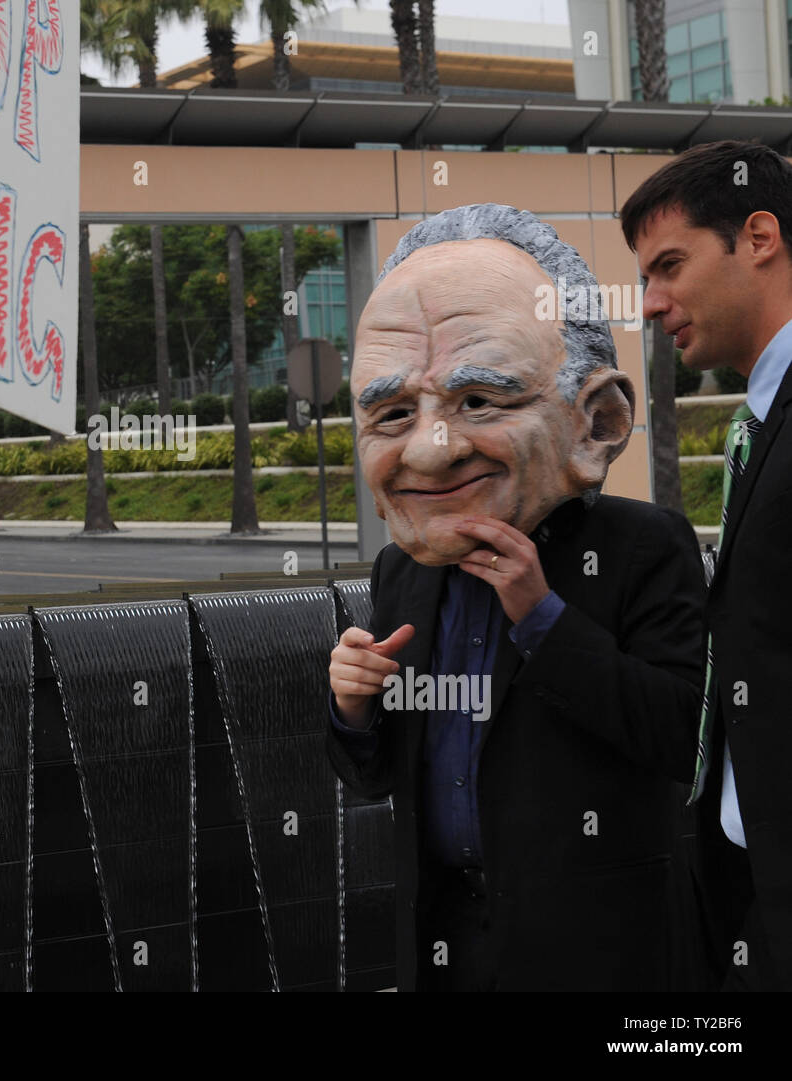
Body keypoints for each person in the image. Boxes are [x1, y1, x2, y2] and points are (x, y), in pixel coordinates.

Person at [326, 203, 706, 991]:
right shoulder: (403, 572)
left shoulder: (645, 549)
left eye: (478, 401)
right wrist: (356, 707)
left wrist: (545, 619)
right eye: (393, 413)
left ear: (596, 420)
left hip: (601, 955)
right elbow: (381, 775)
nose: (431, 448)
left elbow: (684, 740)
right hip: (448, 942)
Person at [621, 139, 792, 991]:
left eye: (670, 266)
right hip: (743, 887)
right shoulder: (756, 421)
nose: (652, 303)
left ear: (758, 237)